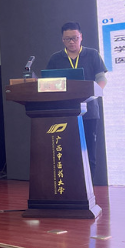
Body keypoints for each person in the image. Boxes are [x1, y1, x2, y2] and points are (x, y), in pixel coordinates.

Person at [46, 22, 107, 180]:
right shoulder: (56, 58)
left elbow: (101, 78)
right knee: (67, 152)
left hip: (89, 110)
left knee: (89, 152)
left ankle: (89, 188)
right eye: (67, 39)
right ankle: (70, 186)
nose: (71, 42)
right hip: (64, 112)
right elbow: (48, 83)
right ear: (62, 40)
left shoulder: (92, 54)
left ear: (81, 37)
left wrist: (94, 93)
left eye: (75, 38)